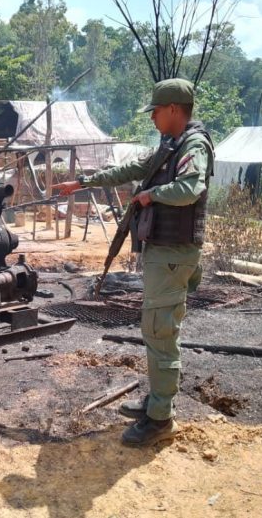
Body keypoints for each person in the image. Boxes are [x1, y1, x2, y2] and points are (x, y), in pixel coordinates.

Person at [56, 78, 214, 447]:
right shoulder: (170, 146)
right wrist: (81, 182)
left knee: (160, 333)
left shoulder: (192, 145)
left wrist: (149, 195)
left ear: (174, 109)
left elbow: (191, 189)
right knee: (156, 331)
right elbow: (130, 168)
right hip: (165, 254)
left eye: (156, 111)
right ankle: (158, 403)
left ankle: (160, 421)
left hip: (174, 255)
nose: (153, 118)